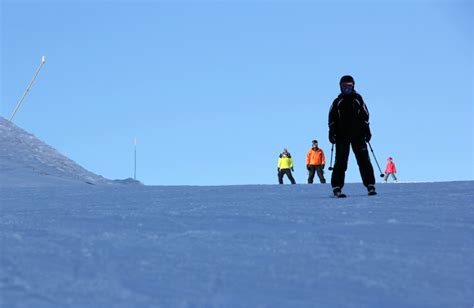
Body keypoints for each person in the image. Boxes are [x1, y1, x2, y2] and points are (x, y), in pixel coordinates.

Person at [328, 75, 376, 197]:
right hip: (341, 136)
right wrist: (332, 131)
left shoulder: (358, 99)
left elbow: (365, 116)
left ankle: (370, 184)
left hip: (358, 135)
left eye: (349, 87)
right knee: (341, 161)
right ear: (340, 87)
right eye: (344, 87)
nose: (347, 89)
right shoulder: (337, 101)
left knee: (364, 160)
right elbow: (332, 118)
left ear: (353, 86)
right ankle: (337, 186)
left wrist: (367, 130)